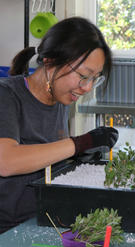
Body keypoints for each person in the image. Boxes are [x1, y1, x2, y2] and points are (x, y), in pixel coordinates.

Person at [0, 17, 119, 233]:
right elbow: (6, 161)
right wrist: (79, 143)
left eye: (95, 78)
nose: (87, 87)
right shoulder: (6, 95)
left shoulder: (61, 99)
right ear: (50, 62)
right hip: (8, 231)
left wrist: (79, 156)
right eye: (83, 76)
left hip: (45, 221)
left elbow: (49, 156)